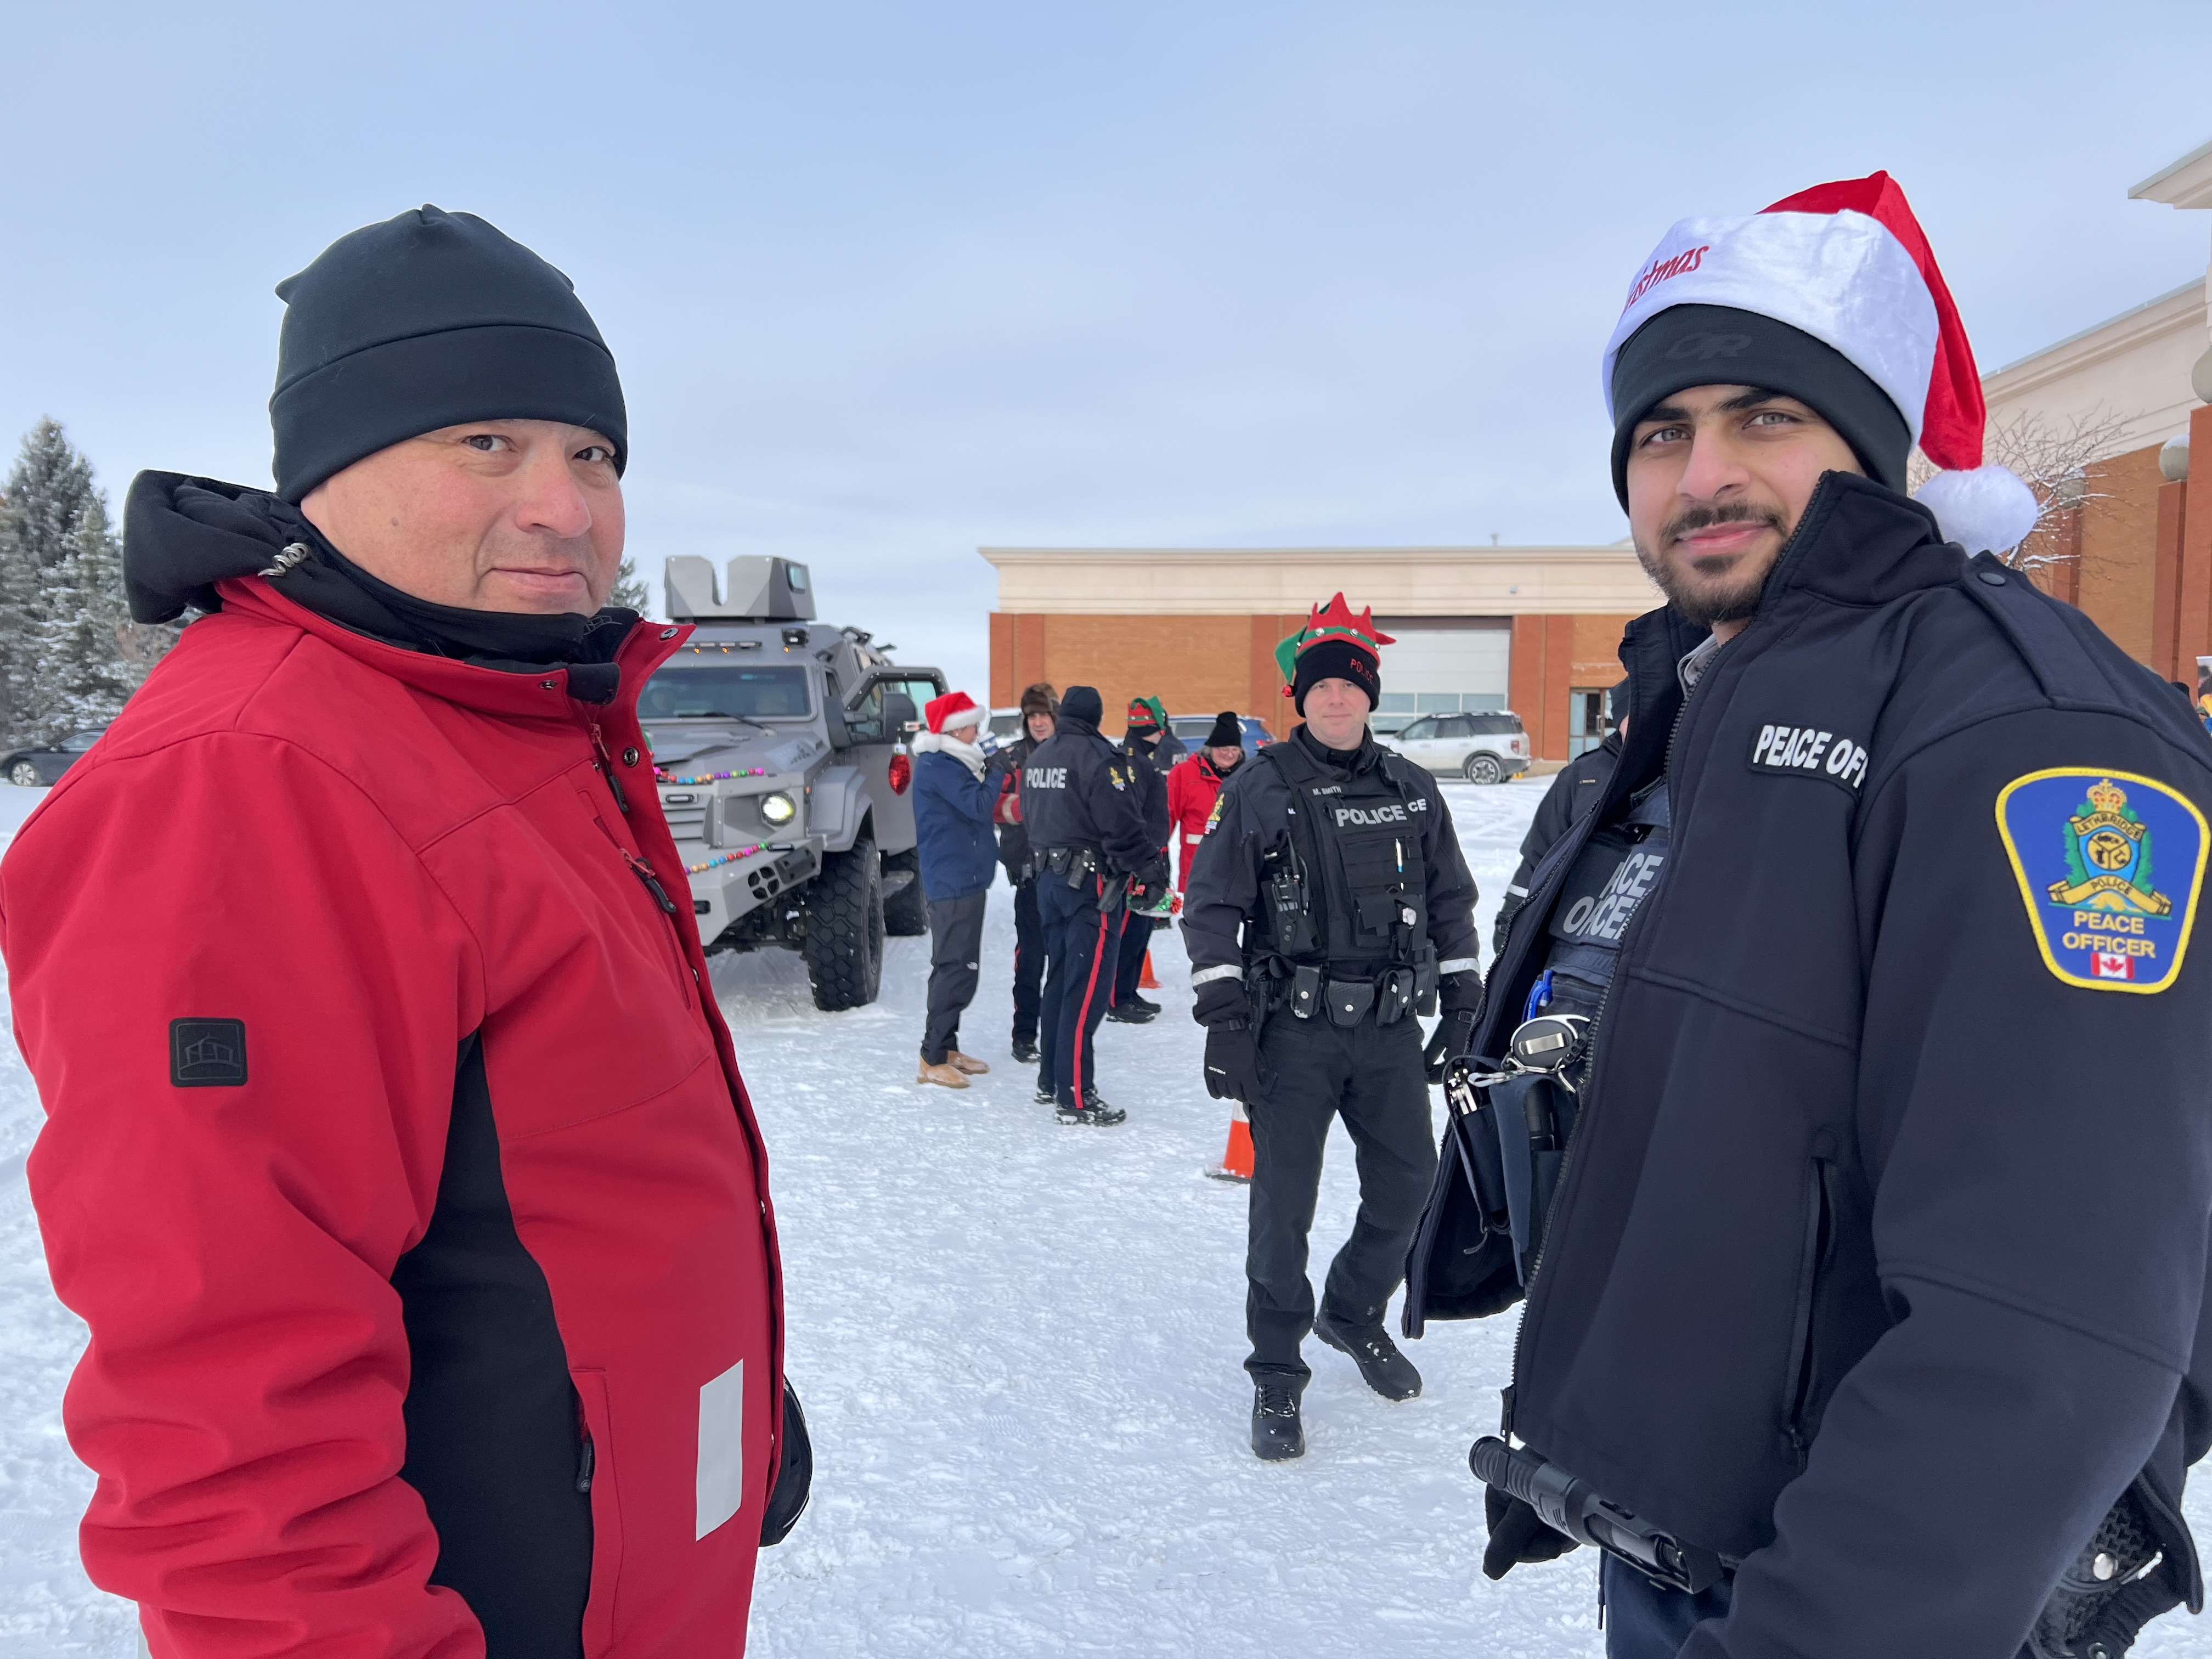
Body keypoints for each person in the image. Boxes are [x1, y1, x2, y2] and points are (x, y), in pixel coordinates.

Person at [1404, 173, 2212, 1657]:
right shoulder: (1692, 715)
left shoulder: (2023, 732)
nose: (1703, 472)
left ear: (1874, 442)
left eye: (1765, 415)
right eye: (1661, 432)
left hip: (1873, 1596)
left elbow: (2045, 1323)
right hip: (1688, 1543)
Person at [1, 207, 807, 1656]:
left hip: (626, 1572)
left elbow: (576, 1167)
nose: (566, 507)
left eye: (594, 454)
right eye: (487, 442)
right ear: (328, 472)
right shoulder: (254, 782)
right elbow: (229, 1425)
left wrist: (728, 1401)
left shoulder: (506, 719)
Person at [1181, 596, 1481, 1460]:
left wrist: (1464, 1000)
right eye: (1320, 688)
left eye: (1350, 685)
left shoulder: (1413, 789)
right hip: (1293, 1034)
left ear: (1369, 695)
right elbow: (1211, 906)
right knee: (1284, 1209)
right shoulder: (1260, 787)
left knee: (1411, 1185)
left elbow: (1451, 903)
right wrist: (1224, 1017)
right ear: (1300, 697)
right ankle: (1278, 1370)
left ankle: (1351, 1311)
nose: (1336, 698)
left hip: (1388, 1031)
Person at [1019, 685, 1171, 1126]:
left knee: (1061, 979)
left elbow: (1032, 816)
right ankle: (1076, 1095)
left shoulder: (1039, 758)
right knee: (1086, 992)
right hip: (1090, 887)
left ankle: (1051, 1080)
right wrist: (1151, 870)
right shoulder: (1100, 759)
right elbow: (1121, 826)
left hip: (1048, 880)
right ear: (1097, 718)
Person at [1491, 680, 1626, 955]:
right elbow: (1540, 853)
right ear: (1620, 719)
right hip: (1576, 931)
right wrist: (1511, 919)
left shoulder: (1679, 775)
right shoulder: (1583, 775)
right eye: (1633, 715)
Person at [912, 690, 999, 1088]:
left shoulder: (953, 762)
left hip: (966, 877)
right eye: (972, 727)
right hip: (952, 881)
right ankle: (931, 1058)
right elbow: (978, 805)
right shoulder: (939, 765)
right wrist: (997, 772)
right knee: (952, 967)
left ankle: (947, 1047)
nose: (977, 733)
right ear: (954, 730)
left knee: (963, 967)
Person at [994, 682, 1057, 1064]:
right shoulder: (1010, 759)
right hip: (1030, 875)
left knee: (1065, 959)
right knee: (1031, 958)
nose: (1038, 722)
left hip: (1068, 873)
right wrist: (1022, 807)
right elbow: (989, 803)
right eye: (1032, 716)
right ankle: (1024, 1035)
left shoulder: (1070, 754)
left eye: (1044, 714)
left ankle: (1060, 1033)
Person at [1107, 695, 1176, 1024]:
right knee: (1129, 932)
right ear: (1160, 728)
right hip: (1138, 862)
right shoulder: (1135, 763)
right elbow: (1129, 817)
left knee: (1142, 929)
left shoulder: (1136, 760)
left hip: (1149, 858)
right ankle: (1117, 999)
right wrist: (1143, 862)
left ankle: (1128, 992)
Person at [1166, 710, 1249, 892]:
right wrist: (1157, 859)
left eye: (1235, 749)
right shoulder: (1185, 774)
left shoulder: (1247, 777)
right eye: (1224, 749)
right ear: (1211, 749)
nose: (1230, 754)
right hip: (1197, 870)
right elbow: (1167, 817)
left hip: (1238, 872)